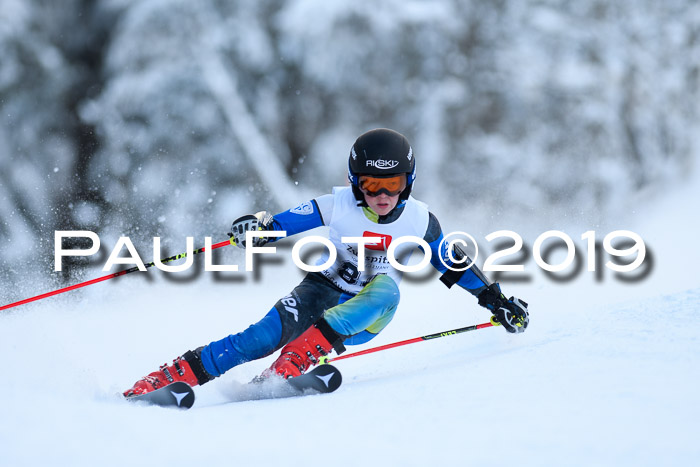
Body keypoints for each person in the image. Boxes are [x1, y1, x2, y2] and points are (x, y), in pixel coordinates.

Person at [123, 128, 529, 396]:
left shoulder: (420, 220)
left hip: (368, 313)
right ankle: (165, 379)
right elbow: (284, 223)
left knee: (386, 288)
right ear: (357, 183)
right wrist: (259, 230)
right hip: (319, 292)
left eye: (394, 184)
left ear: (409, 183)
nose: (383, 195)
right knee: (258, 339)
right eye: (372, 185)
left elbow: (452, 265)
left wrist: (497, 301)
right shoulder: (337, 205)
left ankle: (291, 365)